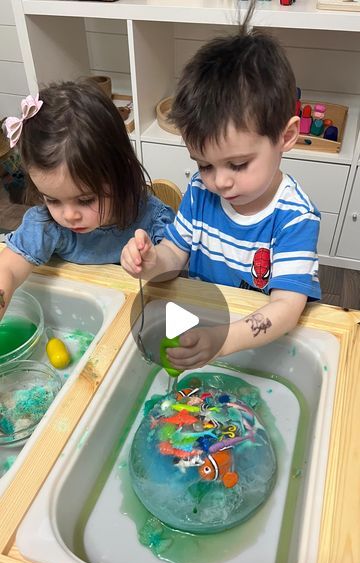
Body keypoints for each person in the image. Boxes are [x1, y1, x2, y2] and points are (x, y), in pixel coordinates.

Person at [121, 6, 321, 371]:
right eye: (204, 164)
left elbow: (286, 309)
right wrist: (151, 263)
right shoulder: (201, 191)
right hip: (203, 326)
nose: (220, 181)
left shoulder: (294, 217)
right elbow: (174, 256)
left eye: (238, 164)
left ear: (286, 137)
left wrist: (223, 339)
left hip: (255, 343)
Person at [0, 81, 174, 318]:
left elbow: (173, 271)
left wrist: (153, 264)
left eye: (85, 200)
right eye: (52, 200)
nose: (69, 215)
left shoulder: (150, 218)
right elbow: (8, 267)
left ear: (119, 174)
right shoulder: (46, 225)